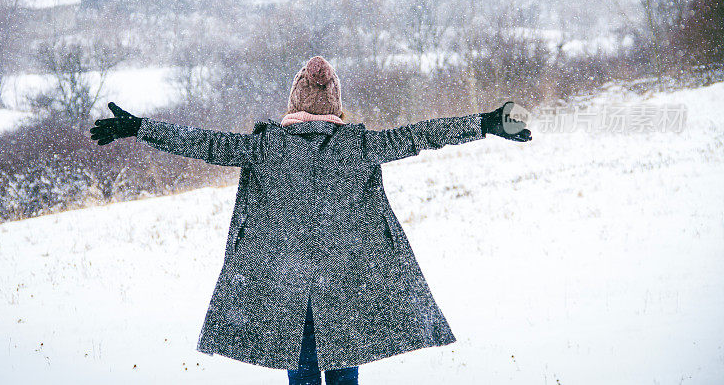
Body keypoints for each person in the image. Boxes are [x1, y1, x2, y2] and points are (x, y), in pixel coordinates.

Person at [90, 56, 531, 385]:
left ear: (294, 104)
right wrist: (486, 122)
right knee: (343, 375)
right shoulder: (358, 145)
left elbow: (201, 143)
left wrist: (140, 128)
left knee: (301, 374)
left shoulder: (265, 148)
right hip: (345, 286)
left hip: (287, 288)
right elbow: (423, 135)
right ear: (335, 106)